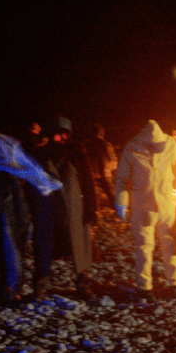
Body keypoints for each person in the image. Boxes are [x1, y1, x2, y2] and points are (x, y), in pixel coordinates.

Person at [0, 131, 62, 309]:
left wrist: (23, 217)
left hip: (6, 216)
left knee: (11, 255)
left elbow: (16, 194)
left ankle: (10, 290)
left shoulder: (2, 166)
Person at [114, 120, 176, 296]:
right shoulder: (132, 148)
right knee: (144, 246)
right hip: (142, 205)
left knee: (171, 244)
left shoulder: (170, 145)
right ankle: (144, 287)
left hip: (166, 204)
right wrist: (121, 201)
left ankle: (175, 283)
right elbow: (121, 178)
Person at [46, 117, 98, 298]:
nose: (60, 136)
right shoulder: (45, 152)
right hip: (51, 206)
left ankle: (83, 282)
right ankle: (41, 283)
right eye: (56, 132)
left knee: (79, 245)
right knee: (45, 245)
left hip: (75, 206)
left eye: (63, 132)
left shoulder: (77, 150)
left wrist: (92, 208)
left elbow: (88, 180)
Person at [20, 120, 56, 300]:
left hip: (25, 200)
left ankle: (15, 286)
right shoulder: (40, 149)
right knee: (41, 240)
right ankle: (40, 281)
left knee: (20, 243)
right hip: (39, 200)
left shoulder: (19, 148)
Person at [83, 123, 118, 208]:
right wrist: (112, 170)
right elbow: (112, 159)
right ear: (102, 133)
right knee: (111, 195)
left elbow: (84, 159)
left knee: (94, 196)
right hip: (105, 174)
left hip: (92, 174)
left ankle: (95, 213)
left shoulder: (86, 144)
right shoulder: (106, 144)